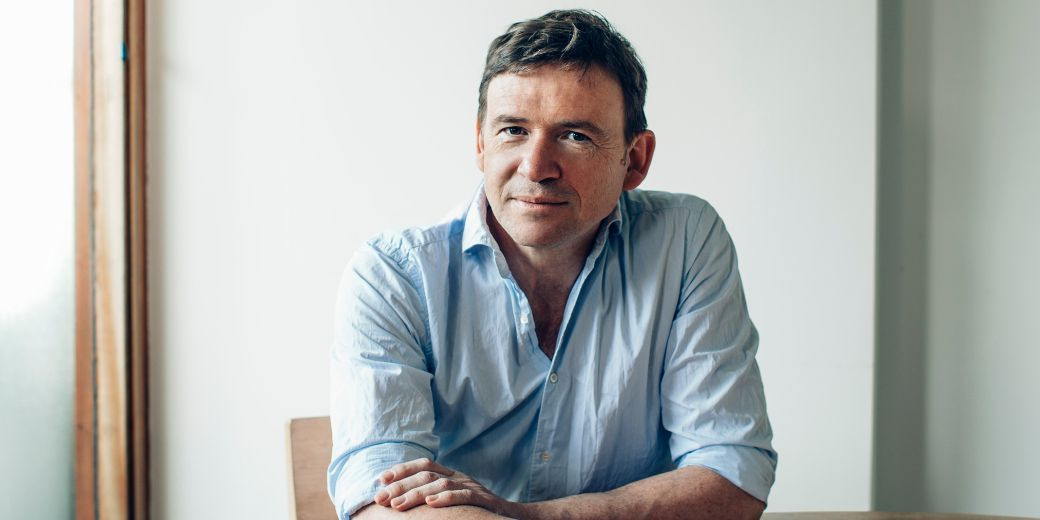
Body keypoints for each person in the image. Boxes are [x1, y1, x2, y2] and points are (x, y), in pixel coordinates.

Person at [328, 9, 776, 520]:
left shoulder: (686, 239)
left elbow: (732, 477)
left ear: (635, 160)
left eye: (575, 136)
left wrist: (530, 515)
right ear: (481, 143)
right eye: (513, 130)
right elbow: (383, 500)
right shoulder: (393, 276)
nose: (536, 167)